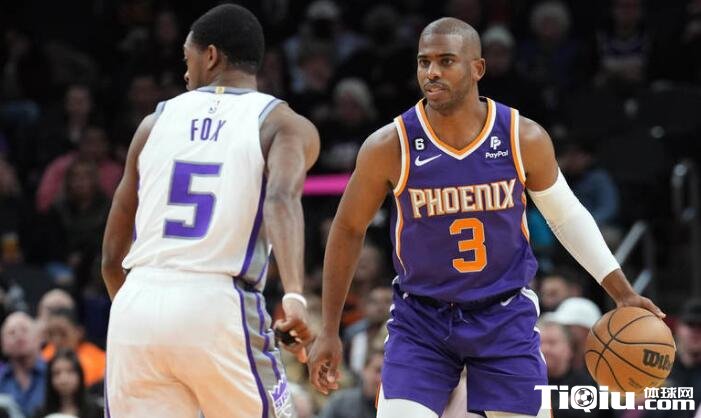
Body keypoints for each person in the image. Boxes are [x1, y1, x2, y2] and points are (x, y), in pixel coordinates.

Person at [308, 17, 664, 418]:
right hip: (422, 319)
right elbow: (348, 228)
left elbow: (566, 216)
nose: (432, 72)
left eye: (446, 61)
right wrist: (329, 329)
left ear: (478, 68)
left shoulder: (522, 137)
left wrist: (622, 292)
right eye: (424, 62)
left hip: (503, 316)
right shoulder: (390, 145)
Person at [101, 4, 319, 418]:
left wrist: (144, 321)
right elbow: (281, 199)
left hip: (137, 302)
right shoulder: (284, 124)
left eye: (187, 59)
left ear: (211, 56)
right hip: (219, 303)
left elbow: (112, 258)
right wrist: (293, 294)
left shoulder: (152, 124)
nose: (186, 73)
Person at [41, 308, 105, 388]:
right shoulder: (43, 357)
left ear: (79, 332)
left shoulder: (99, 359)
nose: (56, 340)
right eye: (51, 334)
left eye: (62, 334)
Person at [0, 312, 46, 417]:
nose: (18, 336)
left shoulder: (55, 374)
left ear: (39, 337)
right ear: (2, 344)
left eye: (24, 330)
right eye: (11, 333)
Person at [34, 348, 101, 418]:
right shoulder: (41, 413)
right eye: (57, 373)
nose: (63, 379)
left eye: (70, 371)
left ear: (80, 375)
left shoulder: (96, 411)